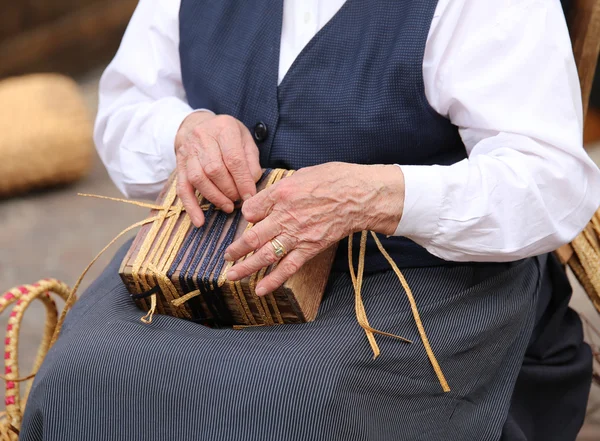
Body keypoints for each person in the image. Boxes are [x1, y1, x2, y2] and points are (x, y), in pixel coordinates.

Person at [20, 0, 600, 440]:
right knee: (81, 375)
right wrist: (185, 131)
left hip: (410, 274)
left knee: (293, 403)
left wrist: (376, 196)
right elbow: (127, 103)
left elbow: (549, 180)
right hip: (211, 255)